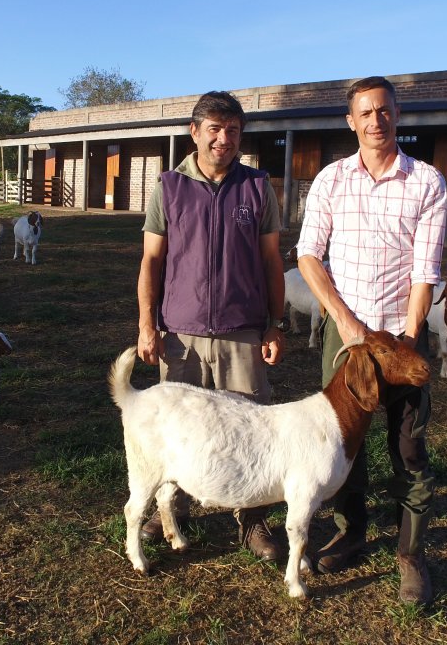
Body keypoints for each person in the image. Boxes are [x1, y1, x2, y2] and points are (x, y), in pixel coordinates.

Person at [294, 76, 447, 605]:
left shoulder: (427, 181)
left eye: (384, 110)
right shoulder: (331, 180)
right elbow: (308, 256)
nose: (375, 120)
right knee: (343, 442)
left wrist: (405, 338)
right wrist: (345, 323)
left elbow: (426, 269)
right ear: (351, 121)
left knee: (408, 444)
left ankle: (410, 553)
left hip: (401, 333)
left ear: (397, 114)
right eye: (365, 112)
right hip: (347, 338)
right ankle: (352, 528)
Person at [136, 90, 287, 561]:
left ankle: (252, 518)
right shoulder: (168, 187)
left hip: (243, 329)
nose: (225, 139)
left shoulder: (257, 187)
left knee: (251, 426)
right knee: (180, 428)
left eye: (234, 131)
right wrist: (147, 323)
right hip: (181, 333)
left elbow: (270, 261)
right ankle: (169, 513)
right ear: (195, 132)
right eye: (216, 130)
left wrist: (274, 325)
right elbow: (152, 260)